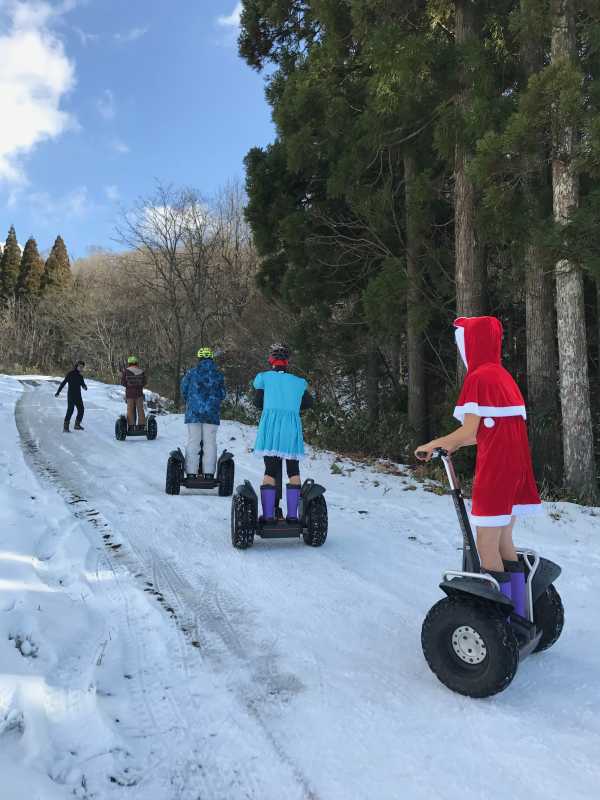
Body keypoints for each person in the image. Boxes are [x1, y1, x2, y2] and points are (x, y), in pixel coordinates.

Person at [415, 316, 542, 616]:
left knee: (486, 545)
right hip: (516, 470)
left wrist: (434, 443)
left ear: (473, 344)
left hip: (496, 472)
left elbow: (469, 431)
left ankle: (499, 624)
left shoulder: (479, 378)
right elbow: (485, 430)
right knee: (503, 541)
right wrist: (450, 444)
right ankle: (519, 615)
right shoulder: (503, 377)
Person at [253, 343, 314, 522]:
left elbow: (257, 402)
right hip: (291, 427)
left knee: (270, 470)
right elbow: (309, 403)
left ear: (271, 361)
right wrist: (292, 405)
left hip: (271, 427)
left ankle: (269, 515)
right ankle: (293, 516)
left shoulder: (264, 378)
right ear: (287, 362)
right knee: (293, 470)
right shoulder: (298, 382)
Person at [180, 347, 226, 478]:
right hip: (212, 414)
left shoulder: (191, 373)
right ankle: (208, 474)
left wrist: (192, 400)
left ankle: (191, 473)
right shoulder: (218, 374)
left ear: (199, 358)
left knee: (193, 442)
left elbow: (184, 390)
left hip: (194, 414)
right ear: (211, 358)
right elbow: (223, 393)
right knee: (210, 443)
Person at [55, 360, 87, 432]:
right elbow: (63, 383)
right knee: (70, 410)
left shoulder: (80, 376)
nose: (81, 368)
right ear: (77, 366)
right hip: (71, 395)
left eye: (82, 367)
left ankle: (77, 425)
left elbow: (83, 384)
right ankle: (65, 427)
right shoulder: (70, 374)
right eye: (80, 366)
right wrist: (58, 392)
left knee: (81, 409)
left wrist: (85, 387)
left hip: (78, 396)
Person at [121, 356, 146, 430]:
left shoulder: (126, 371)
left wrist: (129, 386)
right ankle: (141, 426)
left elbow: (123, 382)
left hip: (130, 394)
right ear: (136, 362)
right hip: (139, 394)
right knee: (140, 409)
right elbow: (144, 382)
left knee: (130, 410)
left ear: (129, 363)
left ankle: (131, 426)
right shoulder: (141, 371)